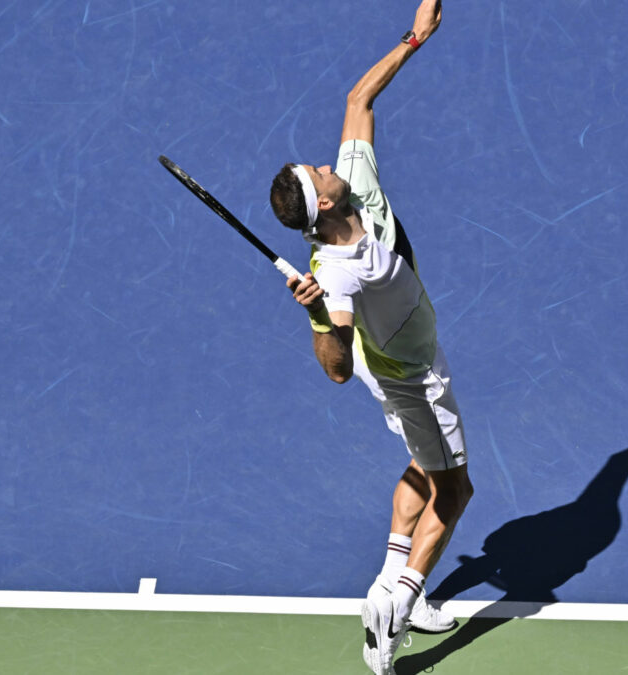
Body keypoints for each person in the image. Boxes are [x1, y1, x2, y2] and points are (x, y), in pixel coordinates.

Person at [267, 2, 472, 674]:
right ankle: (396, 607)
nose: (328, 167)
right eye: (319, 174)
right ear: (322, 202)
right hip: (412, 375)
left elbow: (359, 97)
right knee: (456, 489)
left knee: (421, 464)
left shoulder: (352, 187)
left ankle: (392, 573)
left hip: (394, 355)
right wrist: (318, 316)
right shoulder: (341, 276)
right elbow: (334, 369)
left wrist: (415, 36)